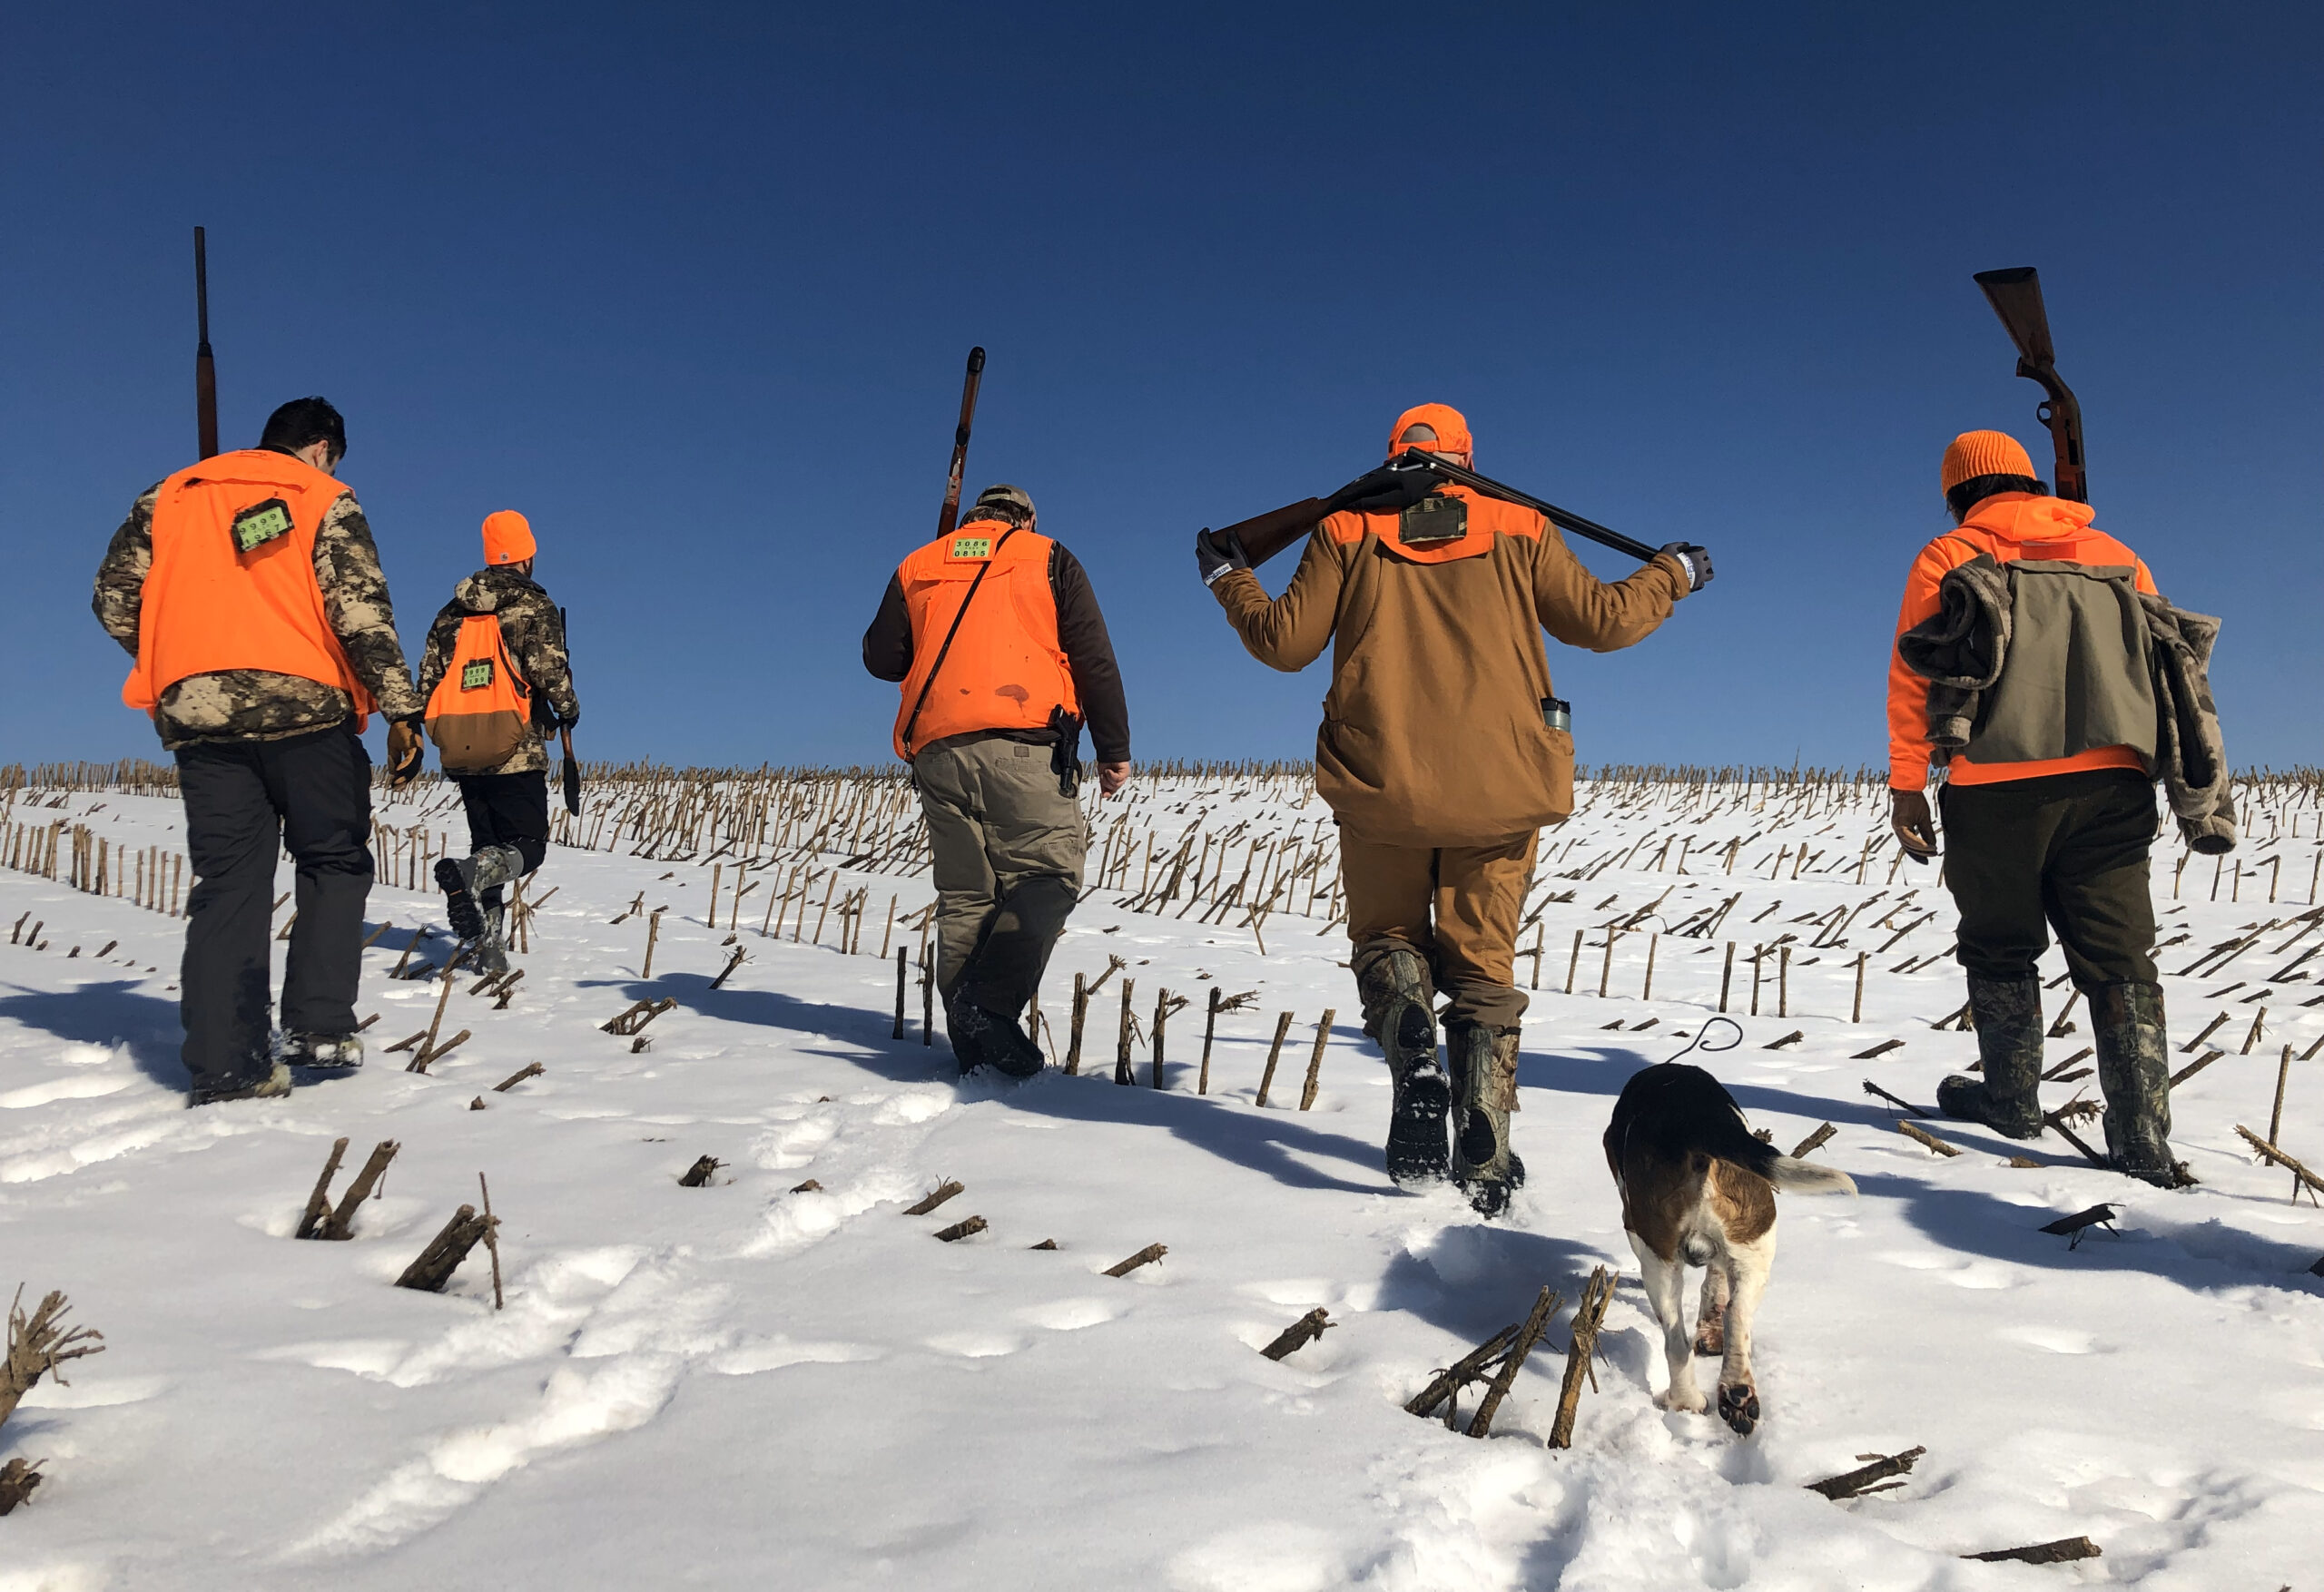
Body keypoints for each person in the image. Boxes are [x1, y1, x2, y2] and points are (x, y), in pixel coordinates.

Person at [1197, 405, 1708, 1214]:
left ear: (1392, 454)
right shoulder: (1521, 525)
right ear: (1469, 458)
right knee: (1483, 969)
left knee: (1388, 938)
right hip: (1502, 788)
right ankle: (1487, 1144)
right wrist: (1671, 575)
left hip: (1380, 784)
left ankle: (1412, 1044)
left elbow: (1285, 644)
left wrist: (1229, 578)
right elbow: (1605, 622)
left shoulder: (1345, 530)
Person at [1890, 431, 2229, 1186]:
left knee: (2001, 945)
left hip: (1995, 783)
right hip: (2115, 783)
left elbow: (1917, 675)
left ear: (1957, 492)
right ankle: (2141, 1137)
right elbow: (2164, 662)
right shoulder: (2118, 555)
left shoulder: (1948, 556)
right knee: (2118, 957)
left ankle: (2010, 1101)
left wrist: (1908, 782)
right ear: (2034, 482)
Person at [93, 396, 426, 1105]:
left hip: (202, 717)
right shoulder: (324, 496)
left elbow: (115, 598)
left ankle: (226, 1066)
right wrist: (403, 711)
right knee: (333, 860)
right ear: (322, 449)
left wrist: (187, 660)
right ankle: (318, 1029)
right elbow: (361, 614)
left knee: (229, 886)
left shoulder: (171, 494)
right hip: (309, 711)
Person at [862, 484, 1131, 1076]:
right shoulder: (1046, 555)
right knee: (1051, 873)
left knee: (965, 897)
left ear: (975, 518)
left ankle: (977, 1054)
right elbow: (1092, 657)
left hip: (936, 751)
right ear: (1027, 519)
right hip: (1024, 745)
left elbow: (883, 660)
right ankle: (990, 1005)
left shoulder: (919, 563)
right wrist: (1114, 749)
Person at [419, 510, 580, 975]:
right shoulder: (534, 607)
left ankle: (490, 952)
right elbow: (548, 670)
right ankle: (468, 877)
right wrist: (567, 708)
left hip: (462, 749)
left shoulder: (450, 614)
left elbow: (428, 678)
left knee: (487, 842)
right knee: (527, 845)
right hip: (516, 748)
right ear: (527, 557)